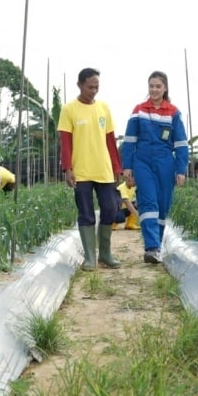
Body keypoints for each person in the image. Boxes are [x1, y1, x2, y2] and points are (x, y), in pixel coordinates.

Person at [57, 67, 123, 271]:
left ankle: (105, 254)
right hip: (81, 171)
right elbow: (66, 142)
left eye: (97, 87)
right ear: (79, 85)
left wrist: (117, 166)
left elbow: (110, 140)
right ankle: (89, 258)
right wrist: (68, 168)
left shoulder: (104, 108)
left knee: (111, 209)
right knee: (86, 212)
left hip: (103, 169)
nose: (94, 90)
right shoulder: (69, 109)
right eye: (90, 87)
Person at [121, 71, 189, 264]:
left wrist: (181, 169)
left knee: (162, 204)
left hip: (166, 162)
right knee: (148, 202)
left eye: (158, 86)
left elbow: (181, 143)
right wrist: (127, 167)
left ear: (165, 88)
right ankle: (151, 247)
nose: (154, 90)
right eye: (151, 86)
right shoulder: (139, 110)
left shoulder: (173, 112)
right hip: (142, 161)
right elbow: (129, 140)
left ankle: (156, 246)